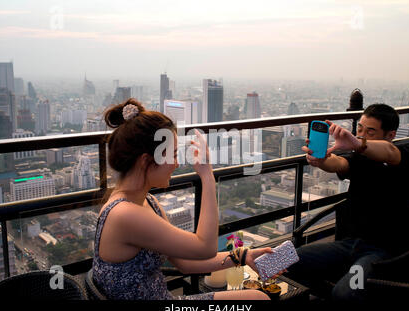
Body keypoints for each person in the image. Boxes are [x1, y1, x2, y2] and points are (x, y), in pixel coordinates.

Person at [93, 98, 284, 300]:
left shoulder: (146, 202)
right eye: (173, 155)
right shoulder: (126, 214)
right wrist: (207, 176)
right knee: (258, 299)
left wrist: (243, 257)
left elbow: (186, 263)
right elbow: (205, 247)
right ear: (146, 161)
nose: (176, 164)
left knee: (257, 298)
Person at [285, 103, 409, 301]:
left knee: (345, 292)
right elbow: (339, 163)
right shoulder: (361, 159)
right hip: (348, 244)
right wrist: (320, 159)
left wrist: (358, 144)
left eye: (370, 131)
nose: (362, 134)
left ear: (390, 135)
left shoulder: (408, 156)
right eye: (360, 129)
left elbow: (390, 152)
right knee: (286, 261)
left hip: (381, 252)